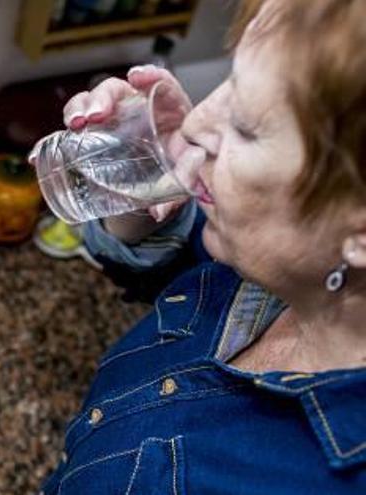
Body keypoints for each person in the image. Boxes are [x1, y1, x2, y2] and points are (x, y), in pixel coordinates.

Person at [39, 1, 366, 493]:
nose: (194, 124)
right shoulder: (289, 268)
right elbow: (178, 274)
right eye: (228, 82)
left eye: (246, 126)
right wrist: (145, 181)